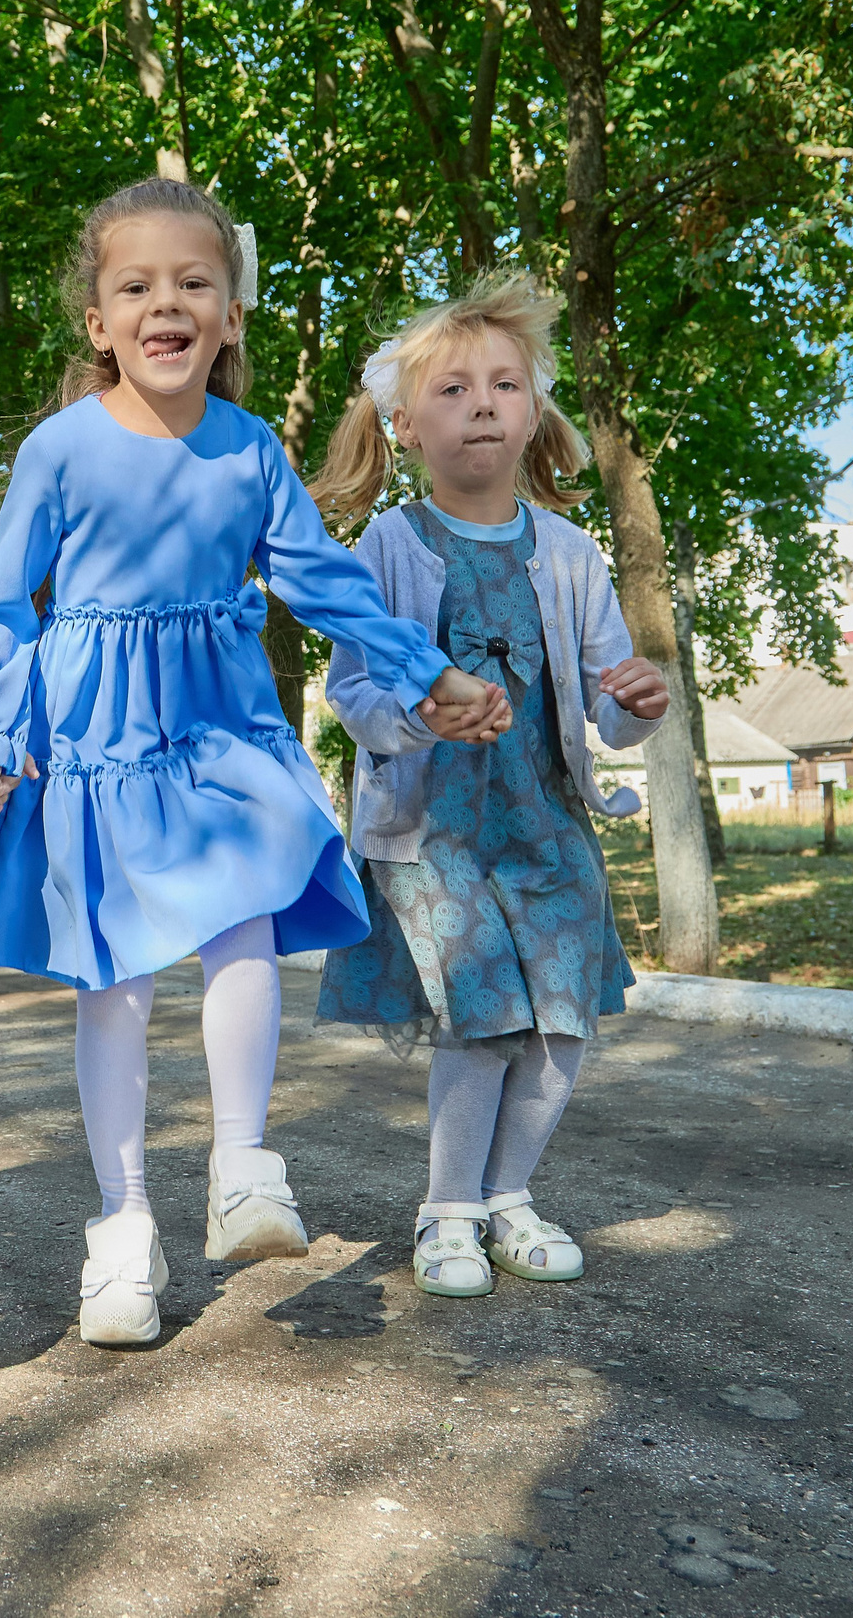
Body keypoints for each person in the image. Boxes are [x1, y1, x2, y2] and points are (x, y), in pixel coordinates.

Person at [0, 178, 509, 1346]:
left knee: (247, 912)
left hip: (220, 726)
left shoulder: (246, 448)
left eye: (193, 283)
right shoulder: (61, 448)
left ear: (230, 315)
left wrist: (425, 670)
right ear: (98, 322)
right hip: (93, 739)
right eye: (135, 286)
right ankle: (122, 1230)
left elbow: (323, 577)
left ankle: (243, 1167)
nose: (165, 303)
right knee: (115, 982)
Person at [311, 270, 670, 1297]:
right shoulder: (389, 545)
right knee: (486, 1024)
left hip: (549, 825)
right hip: (437, 833)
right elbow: (355, 692)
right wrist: (420, 713)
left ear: (533, 415)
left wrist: (640, 702)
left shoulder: (569, 554)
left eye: (505, 386)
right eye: (454, 388)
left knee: (562, 1026)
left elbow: (607, 705)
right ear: (406, 425)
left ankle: (508, 1198)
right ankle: (446, 1216)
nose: (483, 402)